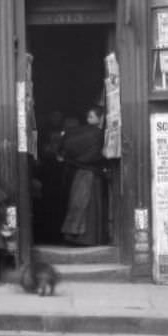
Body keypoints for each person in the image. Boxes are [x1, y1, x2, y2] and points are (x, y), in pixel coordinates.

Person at [59, 105, 106, 247]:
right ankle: (88, 239)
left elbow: (65, 149)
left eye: (90, 116)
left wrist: (71, 161)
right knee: (88, 206)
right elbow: (96, 155)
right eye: (90, 116)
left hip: (78, 173)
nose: (88, 119)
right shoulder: (98, 134)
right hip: (90, 174)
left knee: (77, 204)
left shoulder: (77, 133)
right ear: (101, 118)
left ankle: (74, 235)